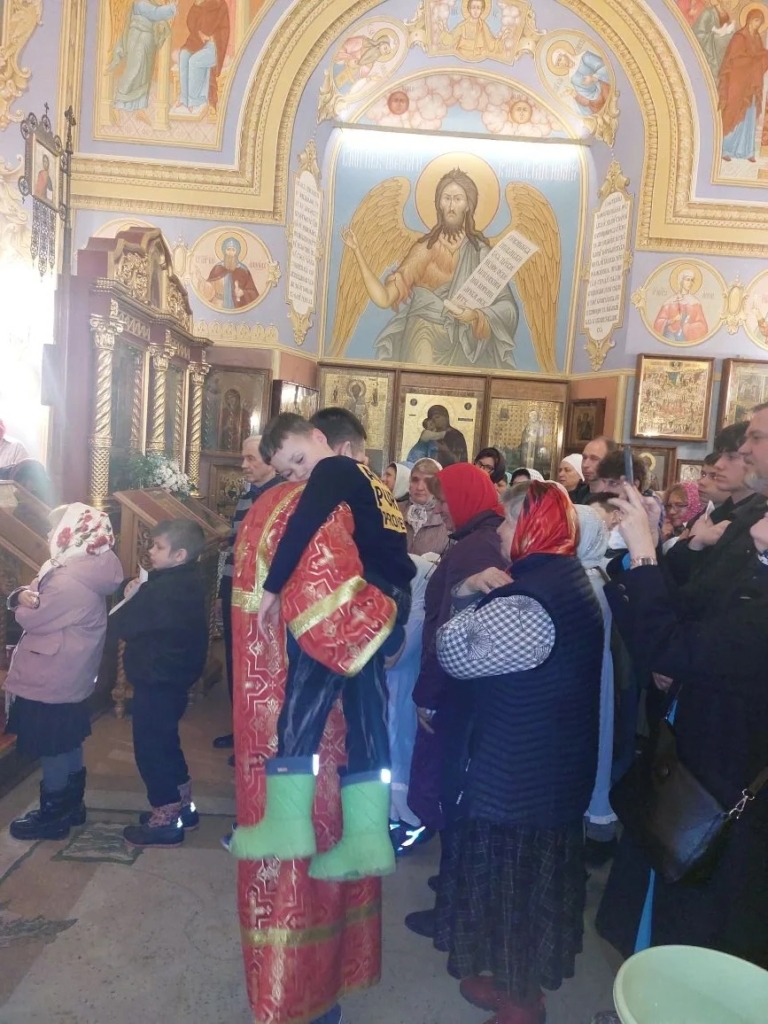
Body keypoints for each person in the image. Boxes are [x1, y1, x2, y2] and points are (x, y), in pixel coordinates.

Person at [433, 481, 603, 1024]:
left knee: (515, 893)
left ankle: (522, 1004)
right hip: (547, 766)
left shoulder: (529, 601)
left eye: (509, 523)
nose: (501, 533)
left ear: (534, 528)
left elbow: (454, 655)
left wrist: (464, 596)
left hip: (521, 777)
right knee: (521, 890)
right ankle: (513, 984)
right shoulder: (563, 576)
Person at [230, 465, 386, 1024]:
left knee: (289, 862)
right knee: (313, 862)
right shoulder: (320, 514)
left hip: (271, 730)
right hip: (318, 735)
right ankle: (307, 997)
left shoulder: (270, 509)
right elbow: (347, 626)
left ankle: (289, 993)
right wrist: (392, 613)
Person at [233, 410, 415, 881]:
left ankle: (286, 826)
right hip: (386, 604)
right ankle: (368, 840)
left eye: (299, 459)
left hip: (357, 603)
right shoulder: (371, 481)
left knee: (303, 700)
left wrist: (271, 588)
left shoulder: (335, 467)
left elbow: (304, 524)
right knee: (366, 715)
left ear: (320, 437)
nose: (300, 476)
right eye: (289, 472)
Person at [595, 476, 768, 969]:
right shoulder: (755, 568)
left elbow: (675, 646)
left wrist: (645, 556)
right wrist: (651, 544)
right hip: (695, 753)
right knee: (663, 880)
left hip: (725, 773)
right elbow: (685, 613)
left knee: (697, 910)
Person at [406, 464, 509, 937]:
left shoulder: (476, 546)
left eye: (446, 501)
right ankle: (454, 883)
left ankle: (453, 903)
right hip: (463, 689)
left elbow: (453, 633)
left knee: (452, 793)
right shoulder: (476, 537)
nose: (440, 509)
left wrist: (428, 695)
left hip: (456, 691)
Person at [6, 504, 123, 841]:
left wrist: (17, 601)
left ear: (73, 532)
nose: (49, 535)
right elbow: (38, 595)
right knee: (67, 740)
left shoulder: (69, 578)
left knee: (53, 744)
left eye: (54, 528)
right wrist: (26, 595)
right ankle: (71, 805)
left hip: (52, 675)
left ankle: (54, 814)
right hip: (69, 672)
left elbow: (33, 616)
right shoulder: (89, 565)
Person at [341, 168, 519, 368]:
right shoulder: (424, 250)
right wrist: (357, 253)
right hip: (423, 334)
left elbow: (508, 308)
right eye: (446, 198)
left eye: (458, 199)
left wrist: (476, 315)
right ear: (439, 204)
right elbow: (384, 299)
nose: (451, 206)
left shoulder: (481, 254)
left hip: (464, 342)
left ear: (468, 205)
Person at [111, 519, 209, 848]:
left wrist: (130, 594)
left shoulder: (162, 591)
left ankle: (165, 819)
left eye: (158, 547)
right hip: (172, 679)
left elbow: (125, 625)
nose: (150, 551)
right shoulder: (186, 581)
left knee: (151, 749)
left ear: (179, 555)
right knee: (167, 744)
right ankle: (184, 808)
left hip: (157, 679)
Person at [212, 435, 281, 754]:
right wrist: (222, 591)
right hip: (235, 589)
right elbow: (235, 545)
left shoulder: (281, 497)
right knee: (235, 659)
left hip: (263, 595)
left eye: (251, 459)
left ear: (270, 460)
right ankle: (240, 729)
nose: (243, 465)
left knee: (261, 664)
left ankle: (261, 737)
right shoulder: (246, 496)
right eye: (243, 458)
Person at [387, 553, 439, 855]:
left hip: (405, 702)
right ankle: (393, 817)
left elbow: (391, 658)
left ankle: (408, 823)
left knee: (400, 761)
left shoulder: (418, 613)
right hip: (392, 702)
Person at [575, 504, 618, 866]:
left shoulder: (586, 581)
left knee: (588, 746)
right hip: (594, 673)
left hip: (584, 678)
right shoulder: (596, 572)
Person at [108, 1, 177, 120]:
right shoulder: (140, 3)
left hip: (148, 41)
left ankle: (140, 108)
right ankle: (117, 105)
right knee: (134, 70)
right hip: (138, 38)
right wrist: (172, 8)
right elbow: (155, 13)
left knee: (145, 75)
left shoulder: (151, 2)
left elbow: (156, 15)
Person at [718, 6, 768, 162]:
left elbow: (760, 55)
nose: (757, 24)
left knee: (750, 114)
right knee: (734, 111)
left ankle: (746, 151)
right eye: (756, 21)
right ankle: (725, 148)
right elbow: (734, 59)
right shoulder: (739, 37)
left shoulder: (757, 38)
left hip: (751, 84)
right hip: (738, 82)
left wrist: (761, 58)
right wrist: (753, 60)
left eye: (760, 22)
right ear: (749, 20)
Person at [175, 0, 230, 114]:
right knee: (184, 55)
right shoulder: (200, 3)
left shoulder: (220, 4)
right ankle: (184, 98)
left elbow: (224, 30)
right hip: (198, 41)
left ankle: (194, 100)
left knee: (194, 61)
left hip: (214, 46)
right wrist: (196, 6)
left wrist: (211, 37)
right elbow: (190, 23)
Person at [400, 457, 450, 557]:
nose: (420, 487)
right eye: (415, 480)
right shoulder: (395, 510)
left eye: (428, 481)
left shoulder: (447, 519)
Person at [652, 268, 709, 343]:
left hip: (686, 338)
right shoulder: (670, 301)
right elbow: (658, 322)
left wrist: (687, 327)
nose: (690, 283)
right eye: (687, 280)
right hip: (670, 337)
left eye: (692, 280)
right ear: (681, 281)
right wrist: (672, 320)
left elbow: (703, 326)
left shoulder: (695, 302)